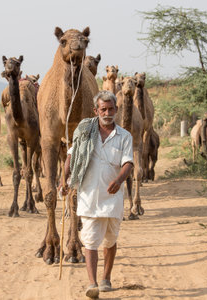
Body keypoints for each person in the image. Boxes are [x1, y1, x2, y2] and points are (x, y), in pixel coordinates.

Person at [60, 90, 133, 299]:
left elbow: (128, 163)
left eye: (111, 109)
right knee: (90, 240)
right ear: (96, 110)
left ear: (116, 110)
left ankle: (106, 278)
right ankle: (92, 283)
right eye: (103, 109)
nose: (107, 113)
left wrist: (119, 180)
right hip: (89, 195)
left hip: (113, 197)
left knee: (110, 240)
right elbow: (71, 157)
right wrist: (63, 180)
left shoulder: (124, 136)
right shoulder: (85, 131)